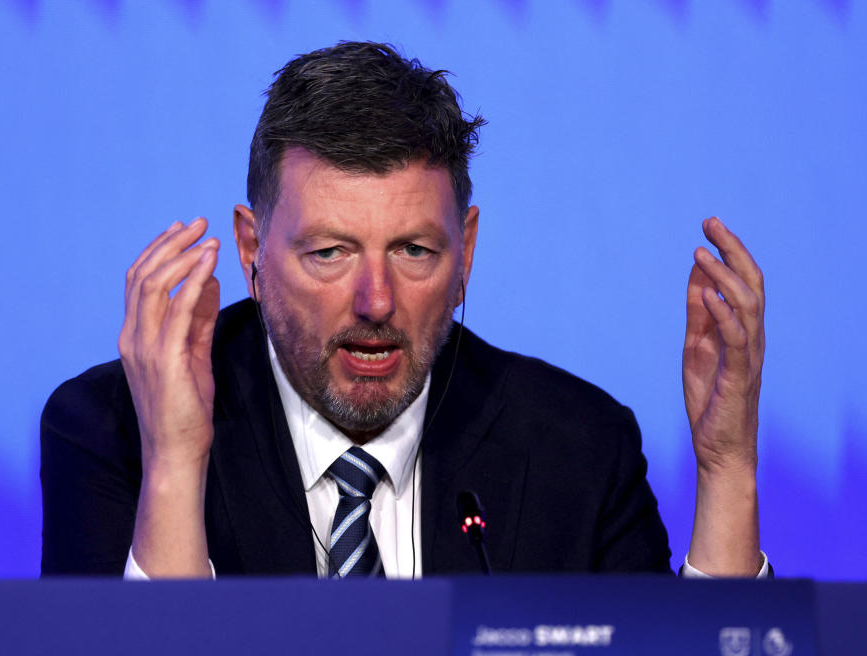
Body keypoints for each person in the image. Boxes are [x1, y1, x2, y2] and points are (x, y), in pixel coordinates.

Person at [40, 42, 768, 579]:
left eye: (414, 251)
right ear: (251, 249)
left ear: (466, 252)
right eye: (330, 252)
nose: (376, 301)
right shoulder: (111, 429)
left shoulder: (576, 447)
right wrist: (175, 463)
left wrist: (726, 466)